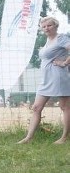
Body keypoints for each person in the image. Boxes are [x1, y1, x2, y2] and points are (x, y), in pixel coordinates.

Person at [17, 16, 70, 144]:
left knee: (65, 107)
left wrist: (65, 63)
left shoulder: (61, 38)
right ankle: (29, 137)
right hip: (46, 79)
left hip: (58, 77)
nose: (46, 28)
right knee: (36, 107)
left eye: (49, 25)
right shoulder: (47, 40)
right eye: (44, 26)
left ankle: (64, 138)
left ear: (56, 26)